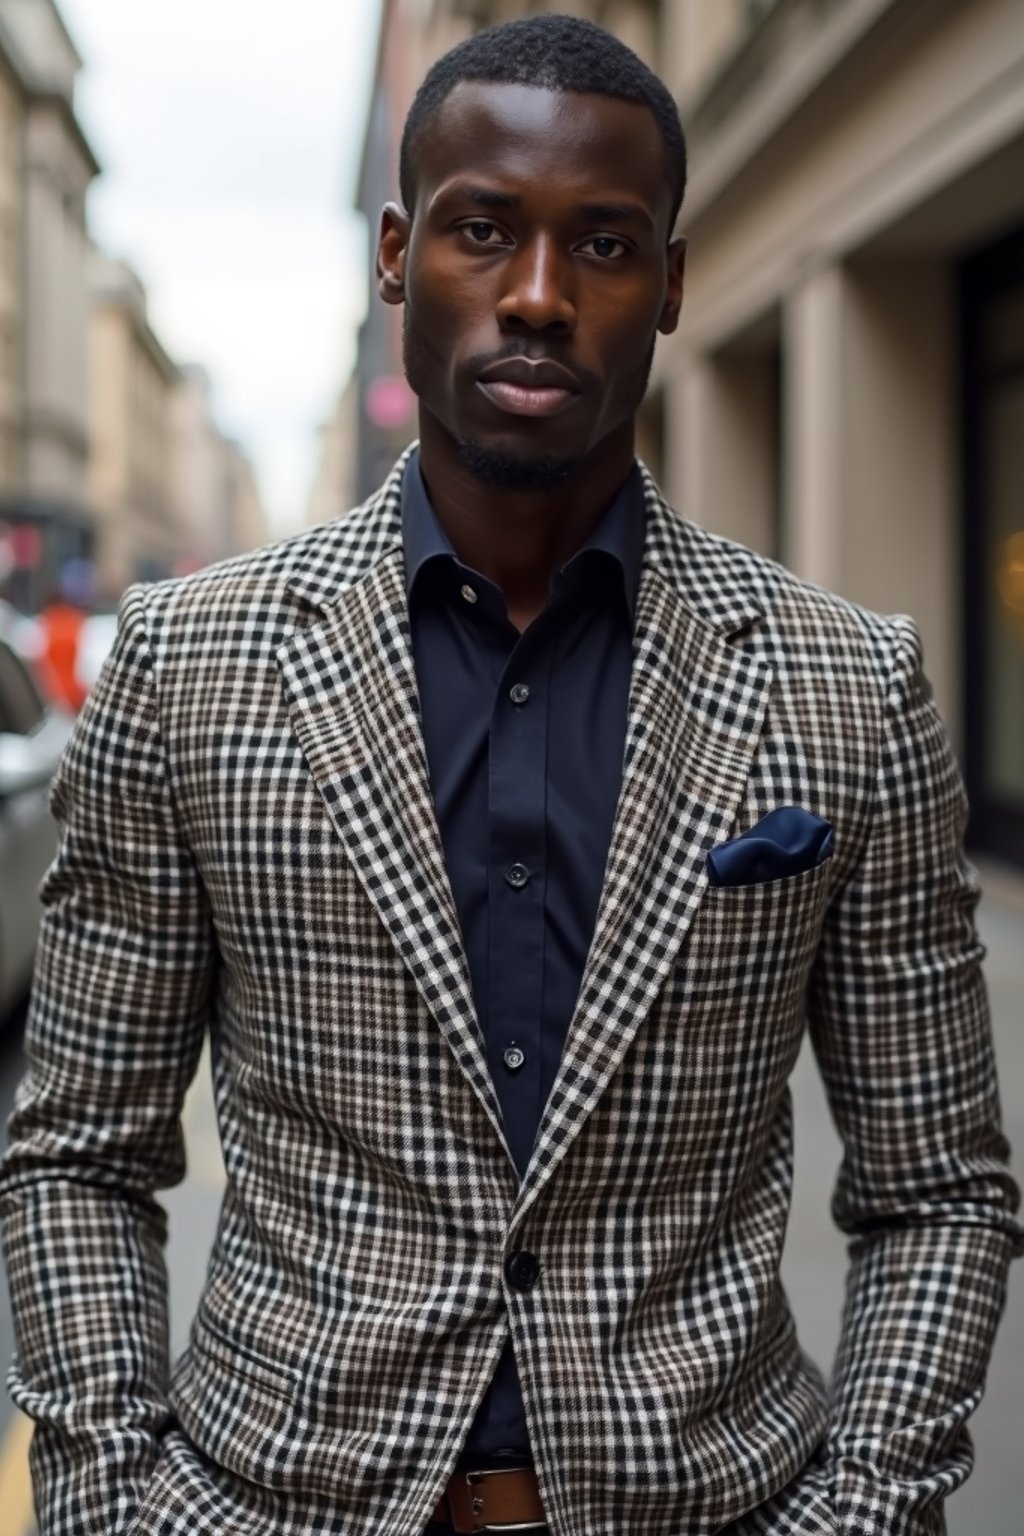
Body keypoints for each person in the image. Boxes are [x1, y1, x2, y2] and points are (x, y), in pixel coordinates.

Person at [1, 14, 1020, 1536]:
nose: (540, 297)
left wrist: (864, 1511)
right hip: (271, 1504)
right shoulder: (190, 661)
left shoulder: (847, 683)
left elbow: (940, 1185)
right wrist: (112, 1503)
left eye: (605, 245)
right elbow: (79, 1151)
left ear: (670, 285)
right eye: (486, 231)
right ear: (400, 256)